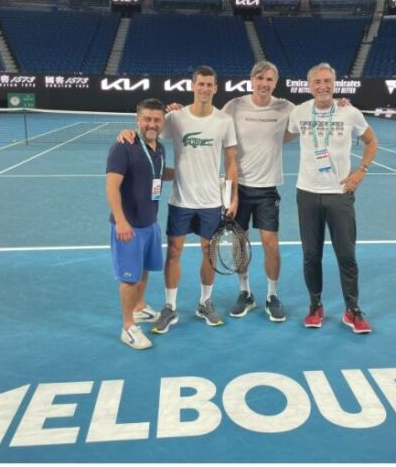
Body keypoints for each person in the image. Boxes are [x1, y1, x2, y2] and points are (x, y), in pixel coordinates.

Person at [142, 65, 238, 333]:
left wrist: (232, 197)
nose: (205, 89)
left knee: (209, 253)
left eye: (210, 84)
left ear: (215, 88)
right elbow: (148, 136)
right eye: (200, 84)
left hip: (210, 201)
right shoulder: (175, 118)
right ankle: (170, 307)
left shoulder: (224, 121)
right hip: (181, 200)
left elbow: (231, 162)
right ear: (192, 86)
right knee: (174, 252)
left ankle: (205, 302)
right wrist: (129, 133)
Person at [286, 63, 378, 334]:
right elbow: (282, 136)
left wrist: (361, 170)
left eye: (327, 81)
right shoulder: (299, 112)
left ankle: (353, 309)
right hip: (307, 193)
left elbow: (372, 141)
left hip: (340, 194)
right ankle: (315, 306)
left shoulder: (349, 112)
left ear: (335, 83)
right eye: (317, 82)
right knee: (311, 256)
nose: (323, 86)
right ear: (309, 85)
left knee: (346, 255)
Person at [220, 61, 295, 322]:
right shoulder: (235, 105)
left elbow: (307, 120)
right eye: (260, 78)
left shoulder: (285, 107)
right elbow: (213, 126)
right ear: (252, 80)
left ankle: (272, 295)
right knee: (239, 243)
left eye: (270, 79)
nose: (264, 83)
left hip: (267, 190)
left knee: (270, 244)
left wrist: (338, 103)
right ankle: (245, 293)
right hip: (237, 187)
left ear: (275, 83)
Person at [105, 98, 173, 350]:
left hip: (149, 224)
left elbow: (160, 173)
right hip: (129, 227)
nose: (152, 124)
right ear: (138, 120)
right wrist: (121, 221)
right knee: (129, 278)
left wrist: (192, 172)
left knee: (144, 270)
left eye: (156, 119)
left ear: (162, 122)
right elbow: (112, 185)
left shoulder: (160, 149)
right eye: (147, 119)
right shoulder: (124, 146)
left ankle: (140, 308)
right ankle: (127, 327)